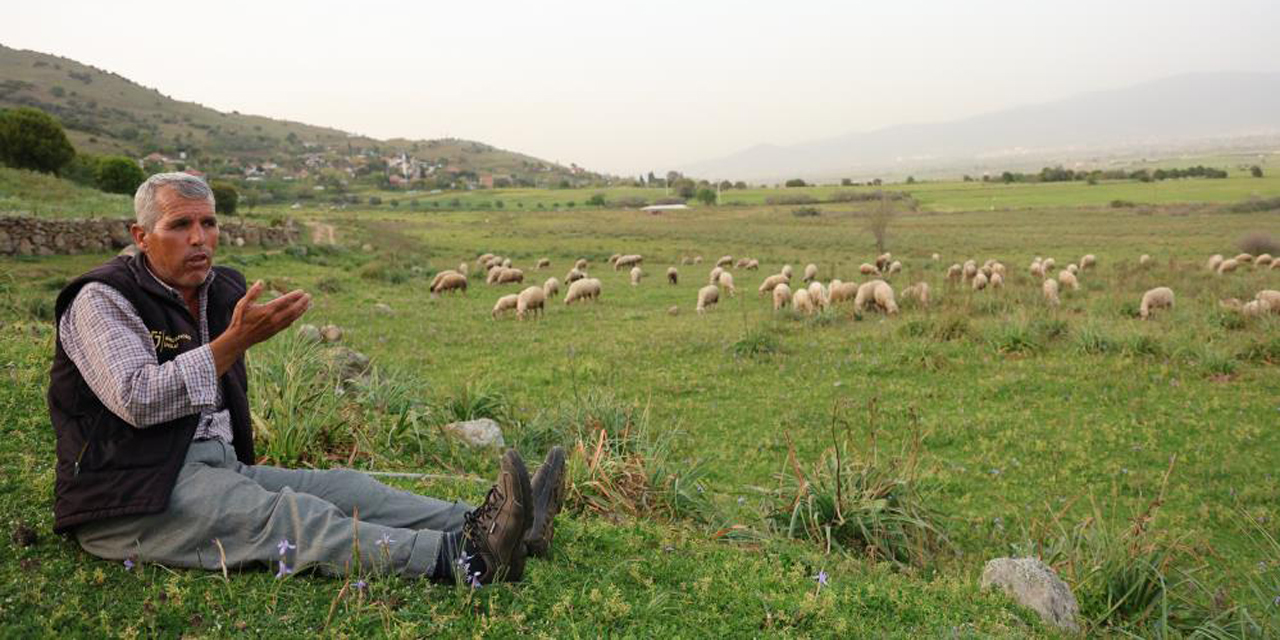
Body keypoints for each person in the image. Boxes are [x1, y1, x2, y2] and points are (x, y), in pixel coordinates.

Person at [48, 172, 565, 584]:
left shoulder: (216, 289)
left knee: (345, 486)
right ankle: (466, 560)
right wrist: (235, 343)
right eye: (180, 226)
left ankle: (499, 524)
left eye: (208, 223)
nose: (200, 239)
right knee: (292, 517)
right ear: (141, 236)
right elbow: (137, 398)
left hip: (212, 468)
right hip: (127, 494)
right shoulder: (102, 299)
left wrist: (234, 457)